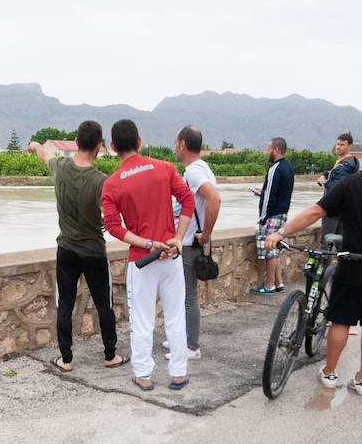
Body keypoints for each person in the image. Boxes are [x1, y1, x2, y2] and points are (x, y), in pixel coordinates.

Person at [265, 136, 362, 395]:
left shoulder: (353, 184)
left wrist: (280, 233)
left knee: (340, 321)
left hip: (352, 263)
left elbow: (315, 213)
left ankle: (329, 373)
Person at [100, 118, 196, 392]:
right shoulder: (165, 168)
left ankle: (143, 376)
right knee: (176, 316)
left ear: (113, 146)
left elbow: (112, 226)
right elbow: (188, 200)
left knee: (142, 320)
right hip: (171, 255)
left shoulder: (112, 184)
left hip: (142, 260)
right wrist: (177, 238)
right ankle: (178, 374)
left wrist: (146, 242)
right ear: (139, 142)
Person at [26, 122, 125, 372]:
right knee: (104, 306)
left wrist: (34, 145)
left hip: (66, 250)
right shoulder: (102, 182)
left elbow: (43, 153)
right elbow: (114, 217)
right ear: (99, 147)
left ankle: (66, 359)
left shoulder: (60, 167)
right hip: (93, 252)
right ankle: (110, 355)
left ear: (76, 142)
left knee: (65, 305)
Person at [169, 125, 220, 361]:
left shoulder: (194, 172)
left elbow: (214, 198)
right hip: (190, 242)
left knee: (188, 296)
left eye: (175, 142)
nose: (174, 147)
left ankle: (191, 346)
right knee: (182, 295)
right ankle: (181, 337)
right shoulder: (202, 168)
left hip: (190, 243)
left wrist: (206, 234)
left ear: (182, 145)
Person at [252, 137, 294, 294]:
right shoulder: (289, 167)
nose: (267, 152)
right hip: (282, 213)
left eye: (268, 149)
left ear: (276, 150)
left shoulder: (275, 168)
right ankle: (279, 283)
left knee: (271, 250)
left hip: (272, 215)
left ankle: (269, 285)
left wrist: (263, 219)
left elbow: (269, 197)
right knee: (275, 248)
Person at [317, 132, 361, 237]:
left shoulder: (345, 165)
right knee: (340, 242)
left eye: (342, 145)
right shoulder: (342, 162)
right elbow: (335, 173)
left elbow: (338, 187)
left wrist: (325, 182)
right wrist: (325, 174)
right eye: (337, 144)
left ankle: (325, 254)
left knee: (328, 240)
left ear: (349, 146)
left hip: (334, 209)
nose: (338, 147)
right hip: (342, 208)